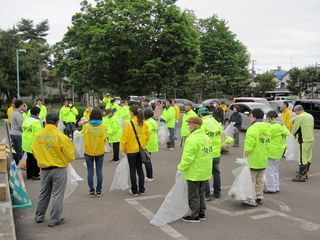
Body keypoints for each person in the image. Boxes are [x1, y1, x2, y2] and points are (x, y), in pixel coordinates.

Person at [32, 113, 75, 227]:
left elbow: (34, 152)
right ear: (57, 122)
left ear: (46, 121)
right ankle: (55, 219)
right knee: (57, 194)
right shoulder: (61, 136)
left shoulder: (37, 136)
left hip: (44, 169)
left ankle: (39, 216)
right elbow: (70, 155)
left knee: (43, 193)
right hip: (58, 168)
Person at [177, 117, 213, 223]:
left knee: (193, 194)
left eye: (189, 124)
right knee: (200, 193)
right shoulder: (206, 137)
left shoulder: (193, 138)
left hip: (194, 171)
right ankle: (201, 212)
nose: (188, 126)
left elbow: (188, 157)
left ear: (194, 125)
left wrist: (181, 168)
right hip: (204, 170)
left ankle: (194, 215)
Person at [243, 108, 270, 206]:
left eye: (250, 116)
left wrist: (244, 158)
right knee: (260, 180)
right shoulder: (267, 128)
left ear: (254, 117)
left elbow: (248, 146)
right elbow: (268, 144)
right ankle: (259, 196)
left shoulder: (252, 129)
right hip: (263, 159)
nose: (250, 118)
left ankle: (250, 198)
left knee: (250, 180)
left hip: (253, 160)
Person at [121, 104, 149, 196]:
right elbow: (147, 136)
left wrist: (123, 149)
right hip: (140, 149)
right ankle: (141, 189)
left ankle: (134, 190)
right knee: (140, 169)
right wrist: (144, 145)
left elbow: (124, 138)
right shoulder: (144, 123)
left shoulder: (129, 124)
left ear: (132, 113)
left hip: (131, 150)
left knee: (132, 170)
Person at [198, 107, 222, 200]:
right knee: (216, 173)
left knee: (205, 173)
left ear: (200, 115)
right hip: (216, 152)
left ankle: (207, 194)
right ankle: (217, 193)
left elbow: (200, 138)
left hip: (206, 152)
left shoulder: (202, 124)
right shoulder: (216, 122)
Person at [83, 109, 107, 197]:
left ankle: (91, 191)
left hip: (88, 151)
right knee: (99, 170)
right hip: (100, 151)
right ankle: (99, 190)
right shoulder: (104, 127)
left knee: (90, 171)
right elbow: (105, 139)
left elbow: (84, 138)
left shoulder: (86, 126)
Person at [264, 110, 289, 193]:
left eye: (267, 118)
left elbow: (265, 135)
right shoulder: (282, 126)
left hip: (272, 151)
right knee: (275, 170)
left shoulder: (274, 127)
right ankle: (276, 186)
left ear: (271, 118)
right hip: (279, 151)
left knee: (269, 170)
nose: (267, 120)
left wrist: (266, 124)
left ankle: (271, 188)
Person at [291, 105, 314, 182]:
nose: (296, 113)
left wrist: (292, 135)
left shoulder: (299, 117)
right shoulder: (310, 116)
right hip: (310, 138)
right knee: (308, 156)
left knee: (302, 157)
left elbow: (295, 128)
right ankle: (306, 173)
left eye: (295, 112)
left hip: (303, 140)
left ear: (297, 111)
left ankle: (302, 176)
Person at [22, 107, 42, 180]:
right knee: (35, 159)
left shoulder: (26, 120)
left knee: (29, 158)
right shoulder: (36, 122)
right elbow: (38, 134)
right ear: (37, 113)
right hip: (33, 142)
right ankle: (35, 174)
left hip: (26, 142)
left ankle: (29, 174)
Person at [144, 109, 158, 182]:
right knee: (148, 160)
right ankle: (149, 175)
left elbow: (146, 133)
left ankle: (149, 176)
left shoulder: (148, 122)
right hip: (152, 142)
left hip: (148, 143)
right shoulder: (153, 121)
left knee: (147, 160)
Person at [10, 99, 24, 165]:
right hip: (17, 134)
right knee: (19, 151)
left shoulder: (13, 112)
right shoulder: (17, 114)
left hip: (12, 133)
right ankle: (19, 165)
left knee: (14, 150)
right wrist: (23, 131)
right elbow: (20, 125)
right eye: (22, 105)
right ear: (20, 105)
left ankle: (15, 164)